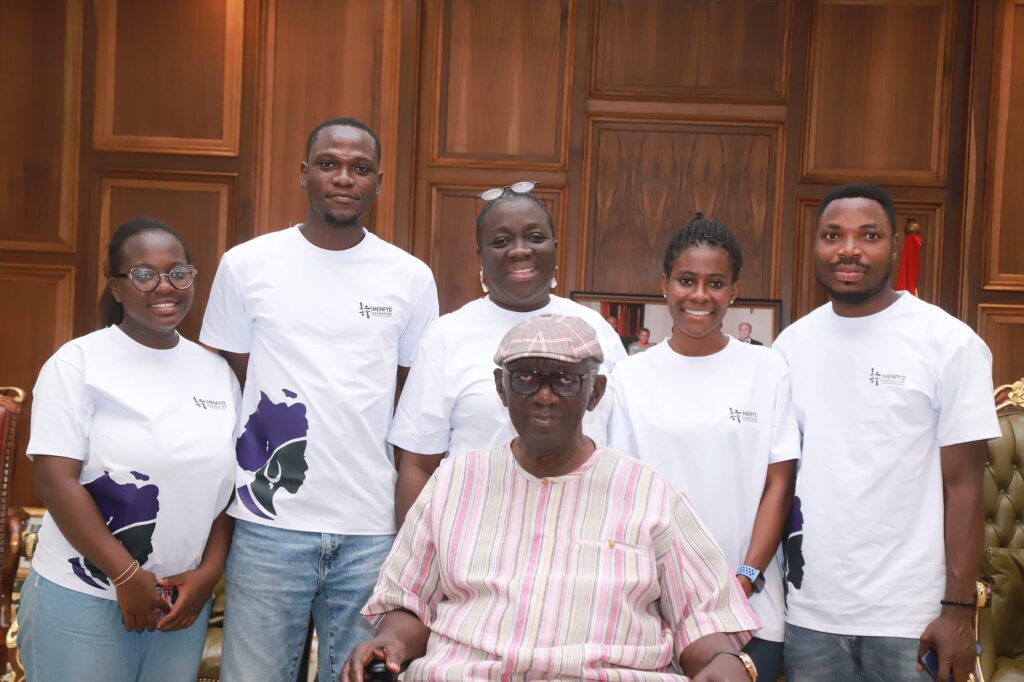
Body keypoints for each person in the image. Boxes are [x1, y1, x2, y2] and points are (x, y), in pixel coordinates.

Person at [342, 314, 761, 682]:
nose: (545, 395)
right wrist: (392, 640)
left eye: (565, 380)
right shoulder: (453, 484)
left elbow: (704, 621)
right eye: (525, 378)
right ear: (501, 388)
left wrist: (725, 660)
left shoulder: (650, 493)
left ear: (595, 392)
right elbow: (409, 604)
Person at [200, 117, 438, 682]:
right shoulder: (247, 264)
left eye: (360, 168)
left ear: (378, 182)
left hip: (371, 528)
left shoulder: (410, 277)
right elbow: (229, 376)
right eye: (329, 164)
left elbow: (413, 395)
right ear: (304, 173)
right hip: (268, 523)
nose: (344, 178)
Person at [774, 183, 1000, 682]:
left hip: (912, 618)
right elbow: (779, 479)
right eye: (833, 235)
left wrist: (958, 611)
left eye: (869, 235)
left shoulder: (948, 342)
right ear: (816, 245)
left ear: (895, 245)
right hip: (810, 613)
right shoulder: (790, 346)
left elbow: (965, 487)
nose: (849, 249)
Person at [18, 217, 238, 681]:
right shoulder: (77, 364)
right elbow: (55, 483)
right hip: (84, 596)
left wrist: (209, 574)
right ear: (116, 286)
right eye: (143, 274)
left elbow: (226, 490)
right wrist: (125, 576)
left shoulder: (217, 373)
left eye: (178, 272)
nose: (165, 285)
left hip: (179, 604)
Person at [608, 214, 799, 680]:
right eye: (686, 280)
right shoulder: (630, 376)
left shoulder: (767, 368)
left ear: (734, 291)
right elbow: (621, 492)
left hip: (750, 605)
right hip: (652, 608)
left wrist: (747, 577)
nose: (699, 295)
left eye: (715, 283)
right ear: (665, 285)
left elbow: (779, 484)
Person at [388, 183, 625, 525]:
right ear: (481, 256)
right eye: (501, 241)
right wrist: (416, 550)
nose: (520, 250)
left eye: (535, 237)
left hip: (583, 529)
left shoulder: (596, 330)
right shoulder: (446, 335)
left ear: (555, 248)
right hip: (475, 535)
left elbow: (622, 450)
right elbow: (418, 464)